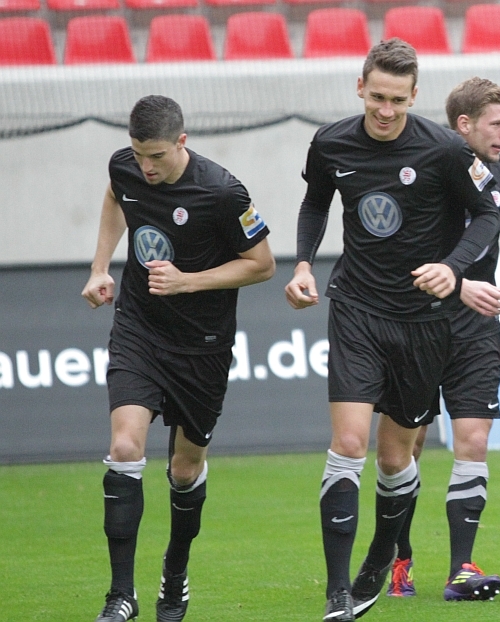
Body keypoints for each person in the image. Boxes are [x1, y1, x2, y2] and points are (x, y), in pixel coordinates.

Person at [283, 40, 500, 622]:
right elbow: (315, 204)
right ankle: (338, 593)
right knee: (350, 443)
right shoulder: (330, 142)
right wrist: (303, 264)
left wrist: (452, 268)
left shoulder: (445, 149)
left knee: (394, 457)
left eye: (398, 101)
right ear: (361, 87)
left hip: (425, 322)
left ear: (414, 96)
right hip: (357, 309)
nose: (385, 110)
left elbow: (488, 213)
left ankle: (381, 555)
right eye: (377, 97)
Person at [82, 95, 275, 622]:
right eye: (138, 154)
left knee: (184, 470)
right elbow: (115, 194)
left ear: (182, 143)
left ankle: (175, 569)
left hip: (202, 346)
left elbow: (262, 265)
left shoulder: (222, 191)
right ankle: (121, 595)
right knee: (125, 447)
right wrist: (100, 267)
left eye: (157, 156)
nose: (146, 167)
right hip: (139, 330)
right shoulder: (125, 167)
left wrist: (188, 281)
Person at [379, 77, 500, 602]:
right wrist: (457, 282)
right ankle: (399, 559)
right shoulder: (422, 169)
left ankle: (460, 569)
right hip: (415, 324)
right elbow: (393, 252)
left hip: (476, 329)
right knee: (404, 451)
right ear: (464, 125)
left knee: (473, 441)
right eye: (496, 124)